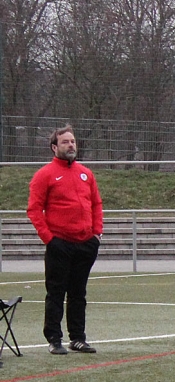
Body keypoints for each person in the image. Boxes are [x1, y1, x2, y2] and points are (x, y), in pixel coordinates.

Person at [27, 125, 103, 355]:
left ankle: (77, 338)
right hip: (59, 244)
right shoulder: (44, 175)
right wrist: (49, 239)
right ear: (54, 147)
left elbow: (96, 204)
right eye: (65, 142)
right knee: (56, 292)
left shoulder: (86, 174)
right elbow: (34, 209)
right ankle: (54, 339)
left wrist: (96, 234)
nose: (71, 145)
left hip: (85, 243)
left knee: (78, 293)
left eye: (72, 141)